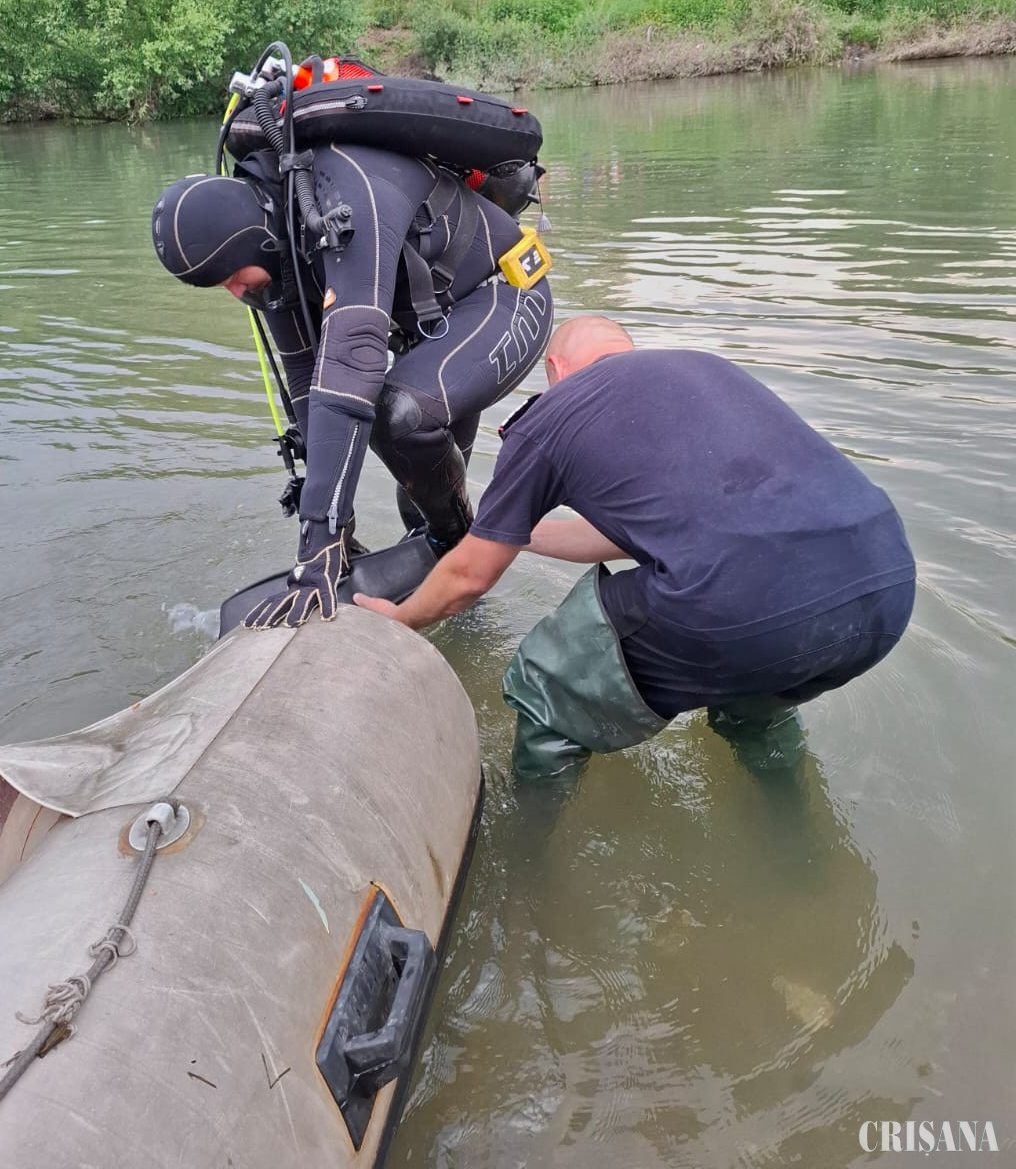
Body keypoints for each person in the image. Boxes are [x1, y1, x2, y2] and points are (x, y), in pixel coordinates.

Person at [358, 315, 915, 776]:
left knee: (547, 685)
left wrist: (401, 619)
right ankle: (792, 839)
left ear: (555, 369)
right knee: (752, 714)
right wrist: (506, 537)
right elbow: (643, 536)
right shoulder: (703, 370)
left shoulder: (555, 412)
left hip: (740, 602)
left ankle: (530, 854)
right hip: (884, 590)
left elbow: (469, 579)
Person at [152, 104, 554, 631]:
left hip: (503, 294)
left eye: (229, 276)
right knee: (420, 490)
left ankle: (460, 552)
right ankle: (454, 583)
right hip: (430, 329)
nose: (233, 291)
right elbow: (308, 383)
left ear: (252, 237)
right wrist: (334, 538)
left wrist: (318, 540)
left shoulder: (348, 195)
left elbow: (352, 361)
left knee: (399, 418)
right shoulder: (281, 248)